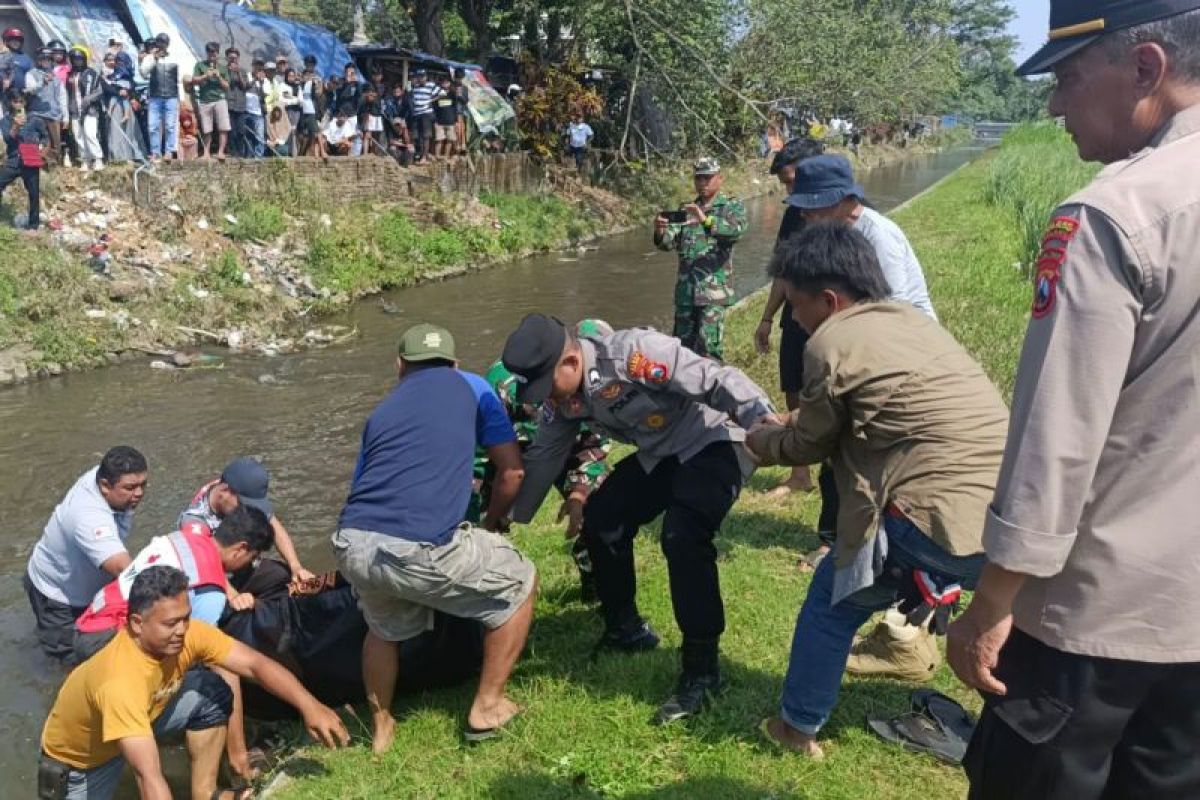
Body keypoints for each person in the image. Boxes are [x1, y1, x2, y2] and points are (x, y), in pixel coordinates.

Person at [946, 4, 1200, 798]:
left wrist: (993, 597)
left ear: (1147, 70)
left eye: (1068, 78)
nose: (1055, 107)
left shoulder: (1114, 215)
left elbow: (1058, 433)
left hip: (1093, 623)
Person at [745, 222, 1007, 758]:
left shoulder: (828, 342)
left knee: (832, 600)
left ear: (829, 300)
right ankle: (1020, 735)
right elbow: (869, 402)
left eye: (795, 306)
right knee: (1017, 618)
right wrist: (794, 417)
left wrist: (762, 440)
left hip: (934, 522)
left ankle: (797, 729)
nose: (793, 318)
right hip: (1010, 517)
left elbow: (808, 445)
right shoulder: (910, 321)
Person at [503, 313, 773, 724]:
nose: (547, 401)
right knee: (602, 518)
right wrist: (504, 519)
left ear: (571, 362)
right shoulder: (564, 403)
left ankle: (702, 672)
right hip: (660, 454)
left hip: (713, 440)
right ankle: (625, 630)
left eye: (547, 388)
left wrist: (761, 420)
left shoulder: (631, 354)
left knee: (682, 538)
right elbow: (541, 459)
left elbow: (715, 378)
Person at [332, 323, 536, 752]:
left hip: (353, 541)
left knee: (383, 629)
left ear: (400, 366)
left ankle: (382, 728)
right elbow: (512, 471)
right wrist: (493, 523)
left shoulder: (382, 411)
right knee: (519, 579)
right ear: (455, 363)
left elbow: (364, 488)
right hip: (416, 546)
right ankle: (488, 707)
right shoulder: (475, 387)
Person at [39, 565, 348, 800]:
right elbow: (149, 777)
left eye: (185, 617)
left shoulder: (189, 634)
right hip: (83, 763)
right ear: (136, 623)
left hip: (145, 713)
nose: (181, 630)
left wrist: (310, 705)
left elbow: (255, 664)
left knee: (212, 692)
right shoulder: (120, 681)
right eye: (170, 623)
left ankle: (207, 794)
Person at [470, 324, 613, 602]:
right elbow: (477, 449)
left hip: (568, 446)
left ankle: (598, 583)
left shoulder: (598, 382)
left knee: (601, 506)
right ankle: (478, 592)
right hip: (507, 449)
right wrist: (492, 509)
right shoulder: (503, 381)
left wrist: (578, 493)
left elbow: (593, 444)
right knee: (475, 523)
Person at [24, 446, 147, 660]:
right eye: (130, 487)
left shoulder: (104, 477)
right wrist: (162, 590)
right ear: (105, 486)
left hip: (80, 582)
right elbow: (121, 567)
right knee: (68, 660)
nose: (139, 493)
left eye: (143, 484)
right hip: (58, 597)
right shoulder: (88, 517)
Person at [754, 137, 825, 497]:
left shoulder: (841, 212)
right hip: (796, 317)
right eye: (784, 183)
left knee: (830, 393)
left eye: (791, 180)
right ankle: (800, 473)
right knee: (794, 387)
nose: (788, 189)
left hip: (831, 321)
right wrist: (768, 317)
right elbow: (783, 269)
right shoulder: (793, 214)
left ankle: (835, 469)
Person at [786, 154, 935, 319]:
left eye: (811, 206)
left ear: (839, 201)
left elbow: (894, 304)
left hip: (905, 326)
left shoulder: (878, 234)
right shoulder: (832, 230)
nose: (802, 213)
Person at [178, 456, 315, 603]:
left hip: (242, 562)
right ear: (224, 491)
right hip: (214, 578)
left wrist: (296, 566)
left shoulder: (235, 487)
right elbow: (204, 561)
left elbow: (274, 525)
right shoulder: (194, 522)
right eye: (243, 503)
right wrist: (233, 596)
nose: (245, 508)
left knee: (284, 575)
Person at [653, 158, 748, 361]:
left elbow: (734, 232)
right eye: (698, 178)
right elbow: (668, 243)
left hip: (712, 293)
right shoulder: (686, 208)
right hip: (685, 293)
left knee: (708, 350)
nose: (702, 183)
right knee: (681, 349)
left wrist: (705, 220)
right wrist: (660, 231)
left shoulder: (730, 206)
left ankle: (710, 391)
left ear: (719, 179)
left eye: (708, 178)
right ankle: (683, 391)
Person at [0, 90, 48, 230]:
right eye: (15, 101)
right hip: (14, 160)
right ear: (10, 103)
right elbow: (9, 139)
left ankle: (33, 225)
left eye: (21, 101)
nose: (18, 104)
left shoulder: (35, 119)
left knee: (34, 193)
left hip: (31, 159)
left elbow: (45, 137)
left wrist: (43, 149)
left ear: (25, 103)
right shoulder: (6, 120)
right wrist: (16, 126)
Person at [139, 32, 179, 162]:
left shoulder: (175, 57)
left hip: (172, 96)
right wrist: (154, 59)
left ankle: (169, 151)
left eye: (164, 42)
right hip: (155, 96)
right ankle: (155, 152)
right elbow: (144, 73)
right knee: (153, 125)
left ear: (168, 44)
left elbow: (180, 78)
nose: (161, 45)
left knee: (170, 125)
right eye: (159, 42)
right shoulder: (150, 57)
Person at [100, 50, 143, 163]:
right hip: (115, 106)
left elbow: (132, 87)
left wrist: (128, 92)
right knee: (115, 132)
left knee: (129, 130)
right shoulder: (107, 76)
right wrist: (118, 91)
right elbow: (106, 88)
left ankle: (132, 154)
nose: (118, 63)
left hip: (125, 106)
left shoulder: (126, 77)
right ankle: (118, 156)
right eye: (117, 61)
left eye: (120, 61)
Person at [24, 48, 66, 166]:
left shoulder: (56, 76)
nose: (46, 61)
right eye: (43, 59)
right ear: (39, 60)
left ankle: (54, 167)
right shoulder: (31, 74)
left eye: (48, 59)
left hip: (53, 114)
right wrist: (42, 82)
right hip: (36, 114)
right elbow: (30, 90)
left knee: (55, 143)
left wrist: (65, 115)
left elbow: (62, 96)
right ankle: (33, 167)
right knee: (35, 141)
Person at [65, 46, 103, 172]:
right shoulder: (70, 74)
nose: (77, 62)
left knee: (90, 133)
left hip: (90, 109)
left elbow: (99, 91)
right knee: (78, 135)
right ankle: (85, 160)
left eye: (80, 59)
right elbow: (68, 92)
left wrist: (89, 99)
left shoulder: (92, 73)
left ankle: (97, 159)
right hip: (75, 109)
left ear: (85, 59)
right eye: (74, 59)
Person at [190, 42, 231, 161]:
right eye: (209, 51)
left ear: (218, 53)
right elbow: (193, 80)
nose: (211, 54)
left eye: (214, 51)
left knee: (223, 127)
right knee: (206, 128)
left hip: (220, 99)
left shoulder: (223, 68)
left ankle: (221, 152)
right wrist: (205, 76)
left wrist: (219, 77)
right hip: (205, 100)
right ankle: (206, 153)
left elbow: (227, 86)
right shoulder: (200, 65)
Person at [407, 68, 439, 163]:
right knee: (416, 136)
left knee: (425, 136)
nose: (421, 78)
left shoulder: (431, 85)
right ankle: (419, 154)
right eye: (419, 77)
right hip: (416, 114)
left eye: (423, 76)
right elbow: (408, 95)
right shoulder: (414, 87)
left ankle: (424, 157)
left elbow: (442, 93)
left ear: (426, 77)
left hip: (426, 114)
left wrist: (430, 100)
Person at [1, 27, 33, 111]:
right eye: (12, 40)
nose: (16, 42)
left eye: (18, 40)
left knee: (20, 119)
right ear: (6, 41)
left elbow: (33, 75)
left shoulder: (26, 57)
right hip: (4, 95)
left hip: (22, 96)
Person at [224, 48, 249, 158]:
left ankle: (241, 153)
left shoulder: (243, 71)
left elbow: (244, 86)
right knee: (231, 131)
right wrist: (230, 72)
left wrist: (238, 73)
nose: (233, 60)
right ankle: (232, 153)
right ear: (227, 58)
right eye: (231, 58)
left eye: (235, 58)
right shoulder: (223, 70)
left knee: (241, 131)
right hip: (229, 104)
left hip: (240, 105)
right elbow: (225, 85)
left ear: (238, 59)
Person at [243, 59, 266, 159]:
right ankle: (248, 157)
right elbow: (245, 86)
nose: (259, 68)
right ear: (252, 66)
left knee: (260, 136)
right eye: (257, 66)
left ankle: (258, 157)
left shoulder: (261, 81)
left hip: (258, 111)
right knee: (248, 135)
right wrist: (255, 79)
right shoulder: (247, 75)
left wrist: (261, 83)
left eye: (261, 67)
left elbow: (261, 96)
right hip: (247, 110)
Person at [432, 74, 457, 159]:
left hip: (450, 121)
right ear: (440, 84)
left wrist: (455, 121)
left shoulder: (453, 94)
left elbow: (455, 107)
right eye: (443, 83)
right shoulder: (437, 94)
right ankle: (437, 156)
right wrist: (435, 121)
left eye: (447, 83)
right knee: (439, 140)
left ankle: (446, 156)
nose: (445, 84)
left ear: (450, 83)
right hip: (439, 122)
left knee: (449, 140)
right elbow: (434, 108)